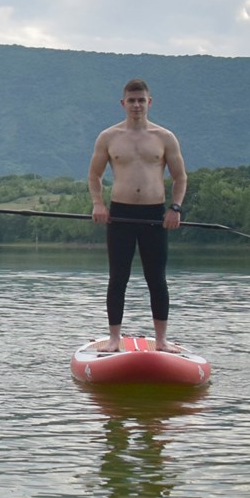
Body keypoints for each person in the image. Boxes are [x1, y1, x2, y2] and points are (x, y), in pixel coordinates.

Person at [88, 77, 188, 352]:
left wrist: (175, 208)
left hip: (154, 215)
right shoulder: (108, 137)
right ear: (123, 103)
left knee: (156, 278)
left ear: (149, 102)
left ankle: (162, 341)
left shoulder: (164, 137)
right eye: (131, 101)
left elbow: (180, 177)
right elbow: (94, 175)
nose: (136, 105)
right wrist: (98, 204)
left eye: (141, 100)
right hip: (120, 214)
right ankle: (114, 339)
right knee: (118, 277)